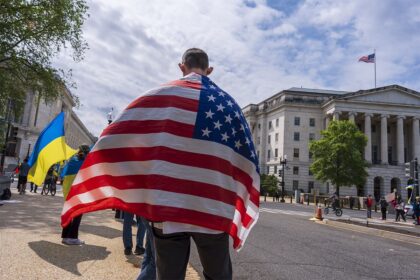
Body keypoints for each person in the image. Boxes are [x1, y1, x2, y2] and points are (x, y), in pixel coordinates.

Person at [149, 48, 234, 279]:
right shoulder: (228, 105)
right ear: (209, 70)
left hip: (167, 204)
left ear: (181, 67)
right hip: (212, 205)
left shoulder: (159, 96)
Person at [61, 144, 90, 245]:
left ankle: (65, 236)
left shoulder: (72, 160)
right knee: (77, 214)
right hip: (77, 192)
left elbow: (63, 174)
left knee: (69, 213)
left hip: (67, 191)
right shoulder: (84, 163)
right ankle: (73, 237)